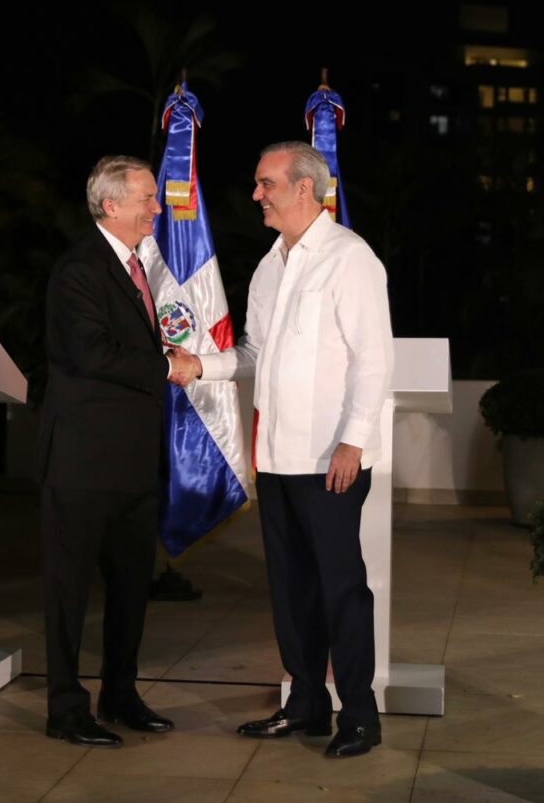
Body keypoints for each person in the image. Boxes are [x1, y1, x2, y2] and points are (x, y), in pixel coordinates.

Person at [170, 141, 394, 758]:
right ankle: (305, 705)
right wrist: (199, 366)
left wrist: (353, 441)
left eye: (265, 183)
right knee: (292, 589)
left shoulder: (350, 258)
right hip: (275, 457)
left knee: (341, 588)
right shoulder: (271, 264)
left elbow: (374, 360)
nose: (256, 195)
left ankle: (360, 716)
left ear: (303, 188)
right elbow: (254, 354)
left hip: (330, 459)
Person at [37, 154, 197, 748]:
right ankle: (65, 709)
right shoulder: (80, 270)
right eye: (146, 198)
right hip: (82, 462)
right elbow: (93, 354)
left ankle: (120, 694)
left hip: (133, 463)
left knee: (131, 587)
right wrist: (167, 367)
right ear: (110, 205)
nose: (157, 208)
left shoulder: (137, 266)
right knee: (69, 592)